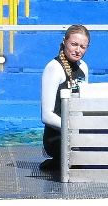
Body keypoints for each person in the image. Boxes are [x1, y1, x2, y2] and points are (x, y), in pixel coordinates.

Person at [40, 24, 90, 171]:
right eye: (74, 44)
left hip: (77, 133)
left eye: (83, 46)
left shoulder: (83, 67)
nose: (78, 50)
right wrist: (72, 128)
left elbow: (84, 104)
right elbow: (47, 116)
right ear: (64, 41)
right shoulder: (54, 68)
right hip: (57, 137)